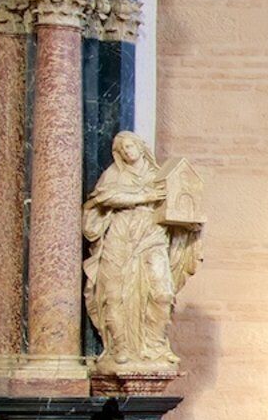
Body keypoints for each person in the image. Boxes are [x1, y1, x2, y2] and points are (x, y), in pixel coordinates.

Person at [81, 131, 204, 376]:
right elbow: (104, 197)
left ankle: (155, 345)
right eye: (123, 149)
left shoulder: (159, 176)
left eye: (131, 146)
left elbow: (183, 202)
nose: (128, 151)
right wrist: (142, 197)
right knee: (115, 296)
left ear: (140, 147)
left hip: (152, 238)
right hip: (121, 238)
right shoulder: (115, 175)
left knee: (161, 293)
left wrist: (191, 221)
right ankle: (121, 347)